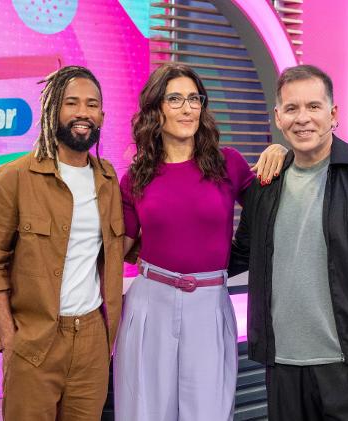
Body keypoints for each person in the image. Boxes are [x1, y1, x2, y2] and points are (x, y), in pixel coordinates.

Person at [229, 64, 348, 420]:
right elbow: (239, 255)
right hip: (284, 369)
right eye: (291, 108)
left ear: (333, 114)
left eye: (313, 107)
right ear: (278, 117)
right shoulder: (265, 186)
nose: (302, 118)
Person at [113, 63, 287, 420]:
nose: (188, 107)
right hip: (150, 303)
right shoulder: (135, 177)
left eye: (194, 98)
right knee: (144, 410)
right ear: (155, 109)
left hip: (209, 302)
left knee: (208, 411)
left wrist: (283, 155)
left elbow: (271, 212)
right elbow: (120, 249)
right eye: (175, 98)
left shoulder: (229, 164)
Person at [0, 66, 125, 421]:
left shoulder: (108, 179)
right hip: (34, 341)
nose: (83, 112)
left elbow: (122, 245)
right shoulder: (12, 179)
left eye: (92, 104)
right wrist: (9, 338)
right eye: (72, 103)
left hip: (91, 341)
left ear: (102, 115)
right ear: (53, 109)